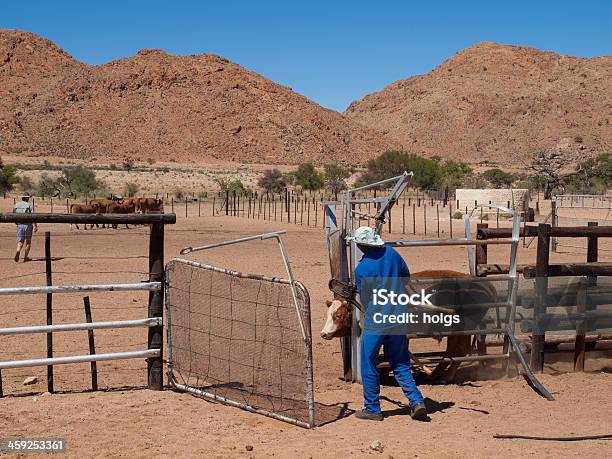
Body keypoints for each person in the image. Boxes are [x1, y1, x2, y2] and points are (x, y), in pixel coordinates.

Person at [347, 226, 427, 421]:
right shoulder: (392, 253)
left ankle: (373, 408)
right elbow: (406, 277)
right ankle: (416, 400)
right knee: (400, 362)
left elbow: (365, 298)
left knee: (368, 362)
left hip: (377, 320)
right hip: (398, 317)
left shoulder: (362, 268)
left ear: (361, 244)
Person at [13, 193, 37, 262]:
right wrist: (35, 225)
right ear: (26, 198)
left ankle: (18, 251)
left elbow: (13, 215)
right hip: (28, 225)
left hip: (20, 225)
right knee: (28, 242)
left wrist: (16, 223)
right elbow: (33, 216)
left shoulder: (16, 205)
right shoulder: (29, 205)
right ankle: (25, 257)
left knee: (20, 241)